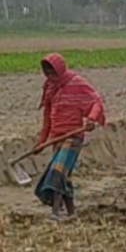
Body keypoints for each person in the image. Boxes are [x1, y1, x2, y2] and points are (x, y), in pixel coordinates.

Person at [35, 53, 106, 222]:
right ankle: (72, 212)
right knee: (65, 176)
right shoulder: (50, 89)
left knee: (57, 172)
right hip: (57, 138)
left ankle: (55, 213)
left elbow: (96, 101)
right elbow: (47, 120)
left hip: (73, 137)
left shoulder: (77, 83)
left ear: (60, 70)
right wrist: (42, 142)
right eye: (47, 73)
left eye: (53, 73)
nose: (50, 77)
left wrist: (91, 119)